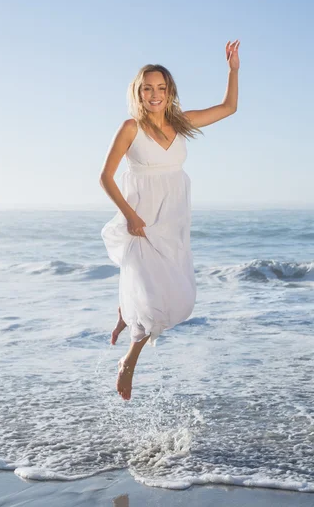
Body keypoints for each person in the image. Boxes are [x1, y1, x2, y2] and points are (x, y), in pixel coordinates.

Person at [99, 39, 240, 400]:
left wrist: (233, 70)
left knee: (178, 298)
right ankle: (129, 361)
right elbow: (105, 177)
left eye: (161, 87)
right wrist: (130, 217)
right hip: (142, 219)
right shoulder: (131, 127)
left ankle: (124, 312)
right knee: (155, 299)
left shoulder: (182, 122)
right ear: (139, 92)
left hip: (173, 218)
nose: (155, 94)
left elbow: (229, 108)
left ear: (170, 91)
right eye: (148, 88)